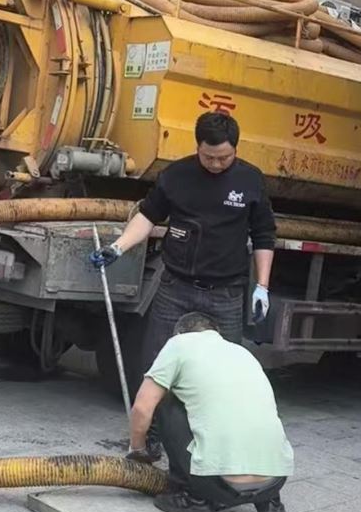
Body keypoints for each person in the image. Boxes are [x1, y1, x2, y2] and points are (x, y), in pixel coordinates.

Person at [91, 110, 276, 370]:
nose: (216, 164)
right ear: (197, 147)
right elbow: (147, 216)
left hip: (226, 293)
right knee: (159, 365)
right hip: (175, 288)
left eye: (224, 158)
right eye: (208, 157)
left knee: (225, 369)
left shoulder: (250, 180)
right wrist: (117, 247)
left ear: (236, 149)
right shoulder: (176, 175)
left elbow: (263, 235)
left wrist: (262, 287)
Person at [126, 312, 294, 512]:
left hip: (215, 485)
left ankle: (194, 500)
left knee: (164, 399)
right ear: (216, 332)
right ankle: (269, 504)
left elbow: (142, 408)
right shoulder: (242, 352)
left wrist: (138, 451)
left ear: (179, 333)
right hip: (276, 480)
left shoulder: (179, 344)